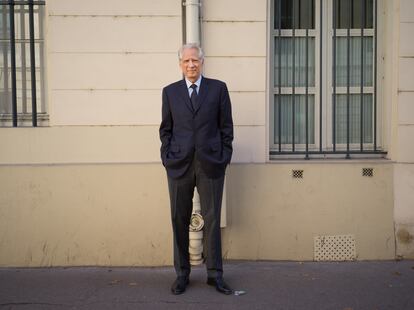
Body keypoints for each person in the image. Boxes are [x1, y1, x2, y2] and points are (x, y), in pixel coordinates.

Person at [159, 43, 234, 295]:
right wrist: (168, 157)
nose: (191, 65)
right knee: (178, 219)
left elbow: (226, 128)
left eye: (195, 60)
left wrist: (223, 157)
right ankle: (182, 274)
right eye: (186, 61)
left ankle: (215, 275)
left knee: (212, 220)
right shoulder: (170, 92)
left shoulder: (218, 89)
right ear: (180, 64)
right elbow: (165, 130)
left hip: (211, 164)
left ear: (202, 62)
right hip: (178, 165)